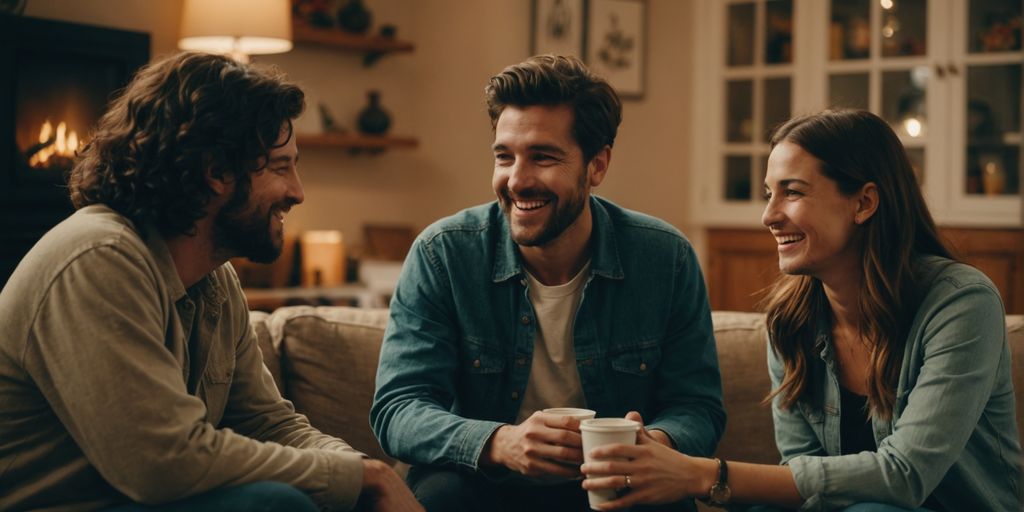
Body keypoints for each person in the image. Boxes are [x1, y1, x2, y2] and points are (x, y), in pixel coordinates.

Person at [0, 52, 421, 512]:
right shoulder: (99, 259)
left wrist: (365, 472)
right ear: (216, 171)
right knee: (272, 504)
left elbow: (267, 423)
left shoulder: (214, 280)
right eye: (280, 167)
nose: (298, 192)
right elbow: (161, 460)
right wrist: (356, 478)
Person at [579, 109, 1022, 511]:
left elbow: (905, 475)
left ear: (864, 203)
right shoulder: (791, 323)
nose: (768, 216)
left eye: (792, 192)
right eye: (768, 194)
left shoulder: (961, 304)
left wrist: (705, 475)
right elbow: (803, 479)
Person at [370, 54, 725, 512]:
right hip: (484, 482)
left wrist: (652, 445)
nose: (517, 180)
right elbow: (399, 407)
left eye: (542, 157)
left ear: (597, 166)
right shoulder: (444, 254)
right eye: (504, 157)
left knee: (664, 501)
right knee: (443, 494)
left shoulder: (665, 258)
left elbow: (698, 407)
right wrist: (500, 442)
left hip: (610, 485)